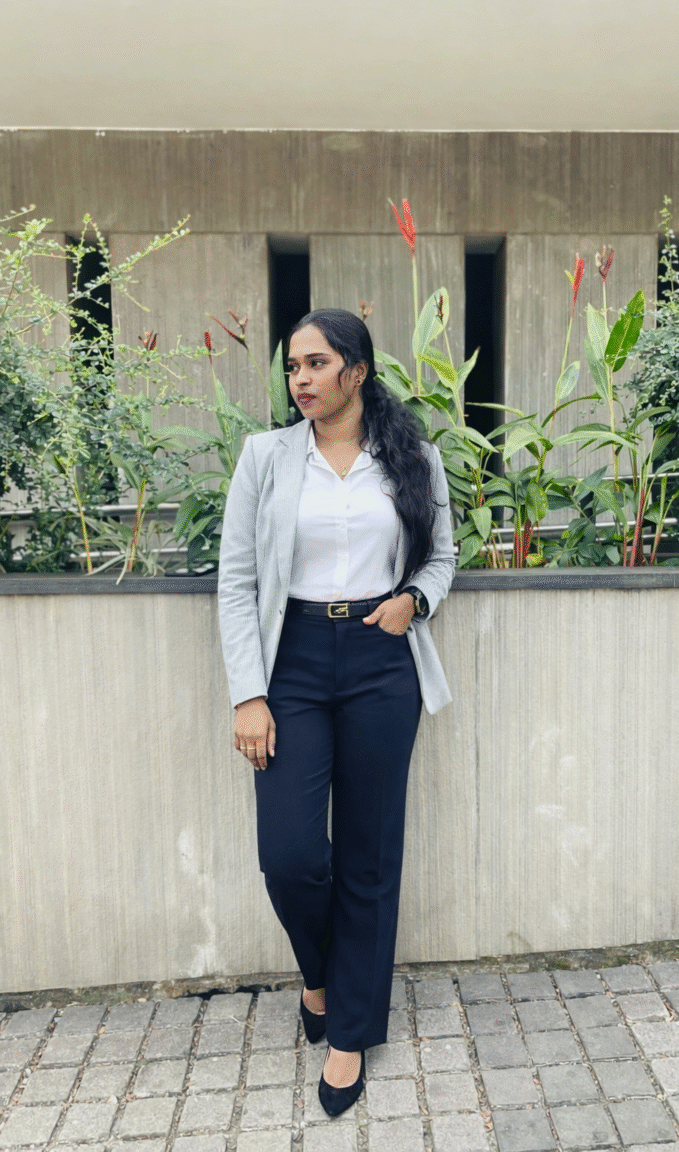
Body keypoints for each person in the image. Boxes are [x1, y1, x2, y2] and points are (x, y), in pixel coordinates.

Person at [217, 308, 455, 1117]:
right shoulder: (267, 458)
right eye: (292, 368)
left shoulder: (411, 456)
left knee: (368, 856)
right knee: (288, 855)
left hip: (381, 661)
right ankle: (318, 978)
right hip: (294, 666)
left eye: (316, 364)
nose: (301, 380)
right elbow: (238, 580)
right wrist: (250, 692)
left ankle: (349, 1032)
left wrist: (413, 601)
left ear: (356, 369)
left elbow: (443, 556)